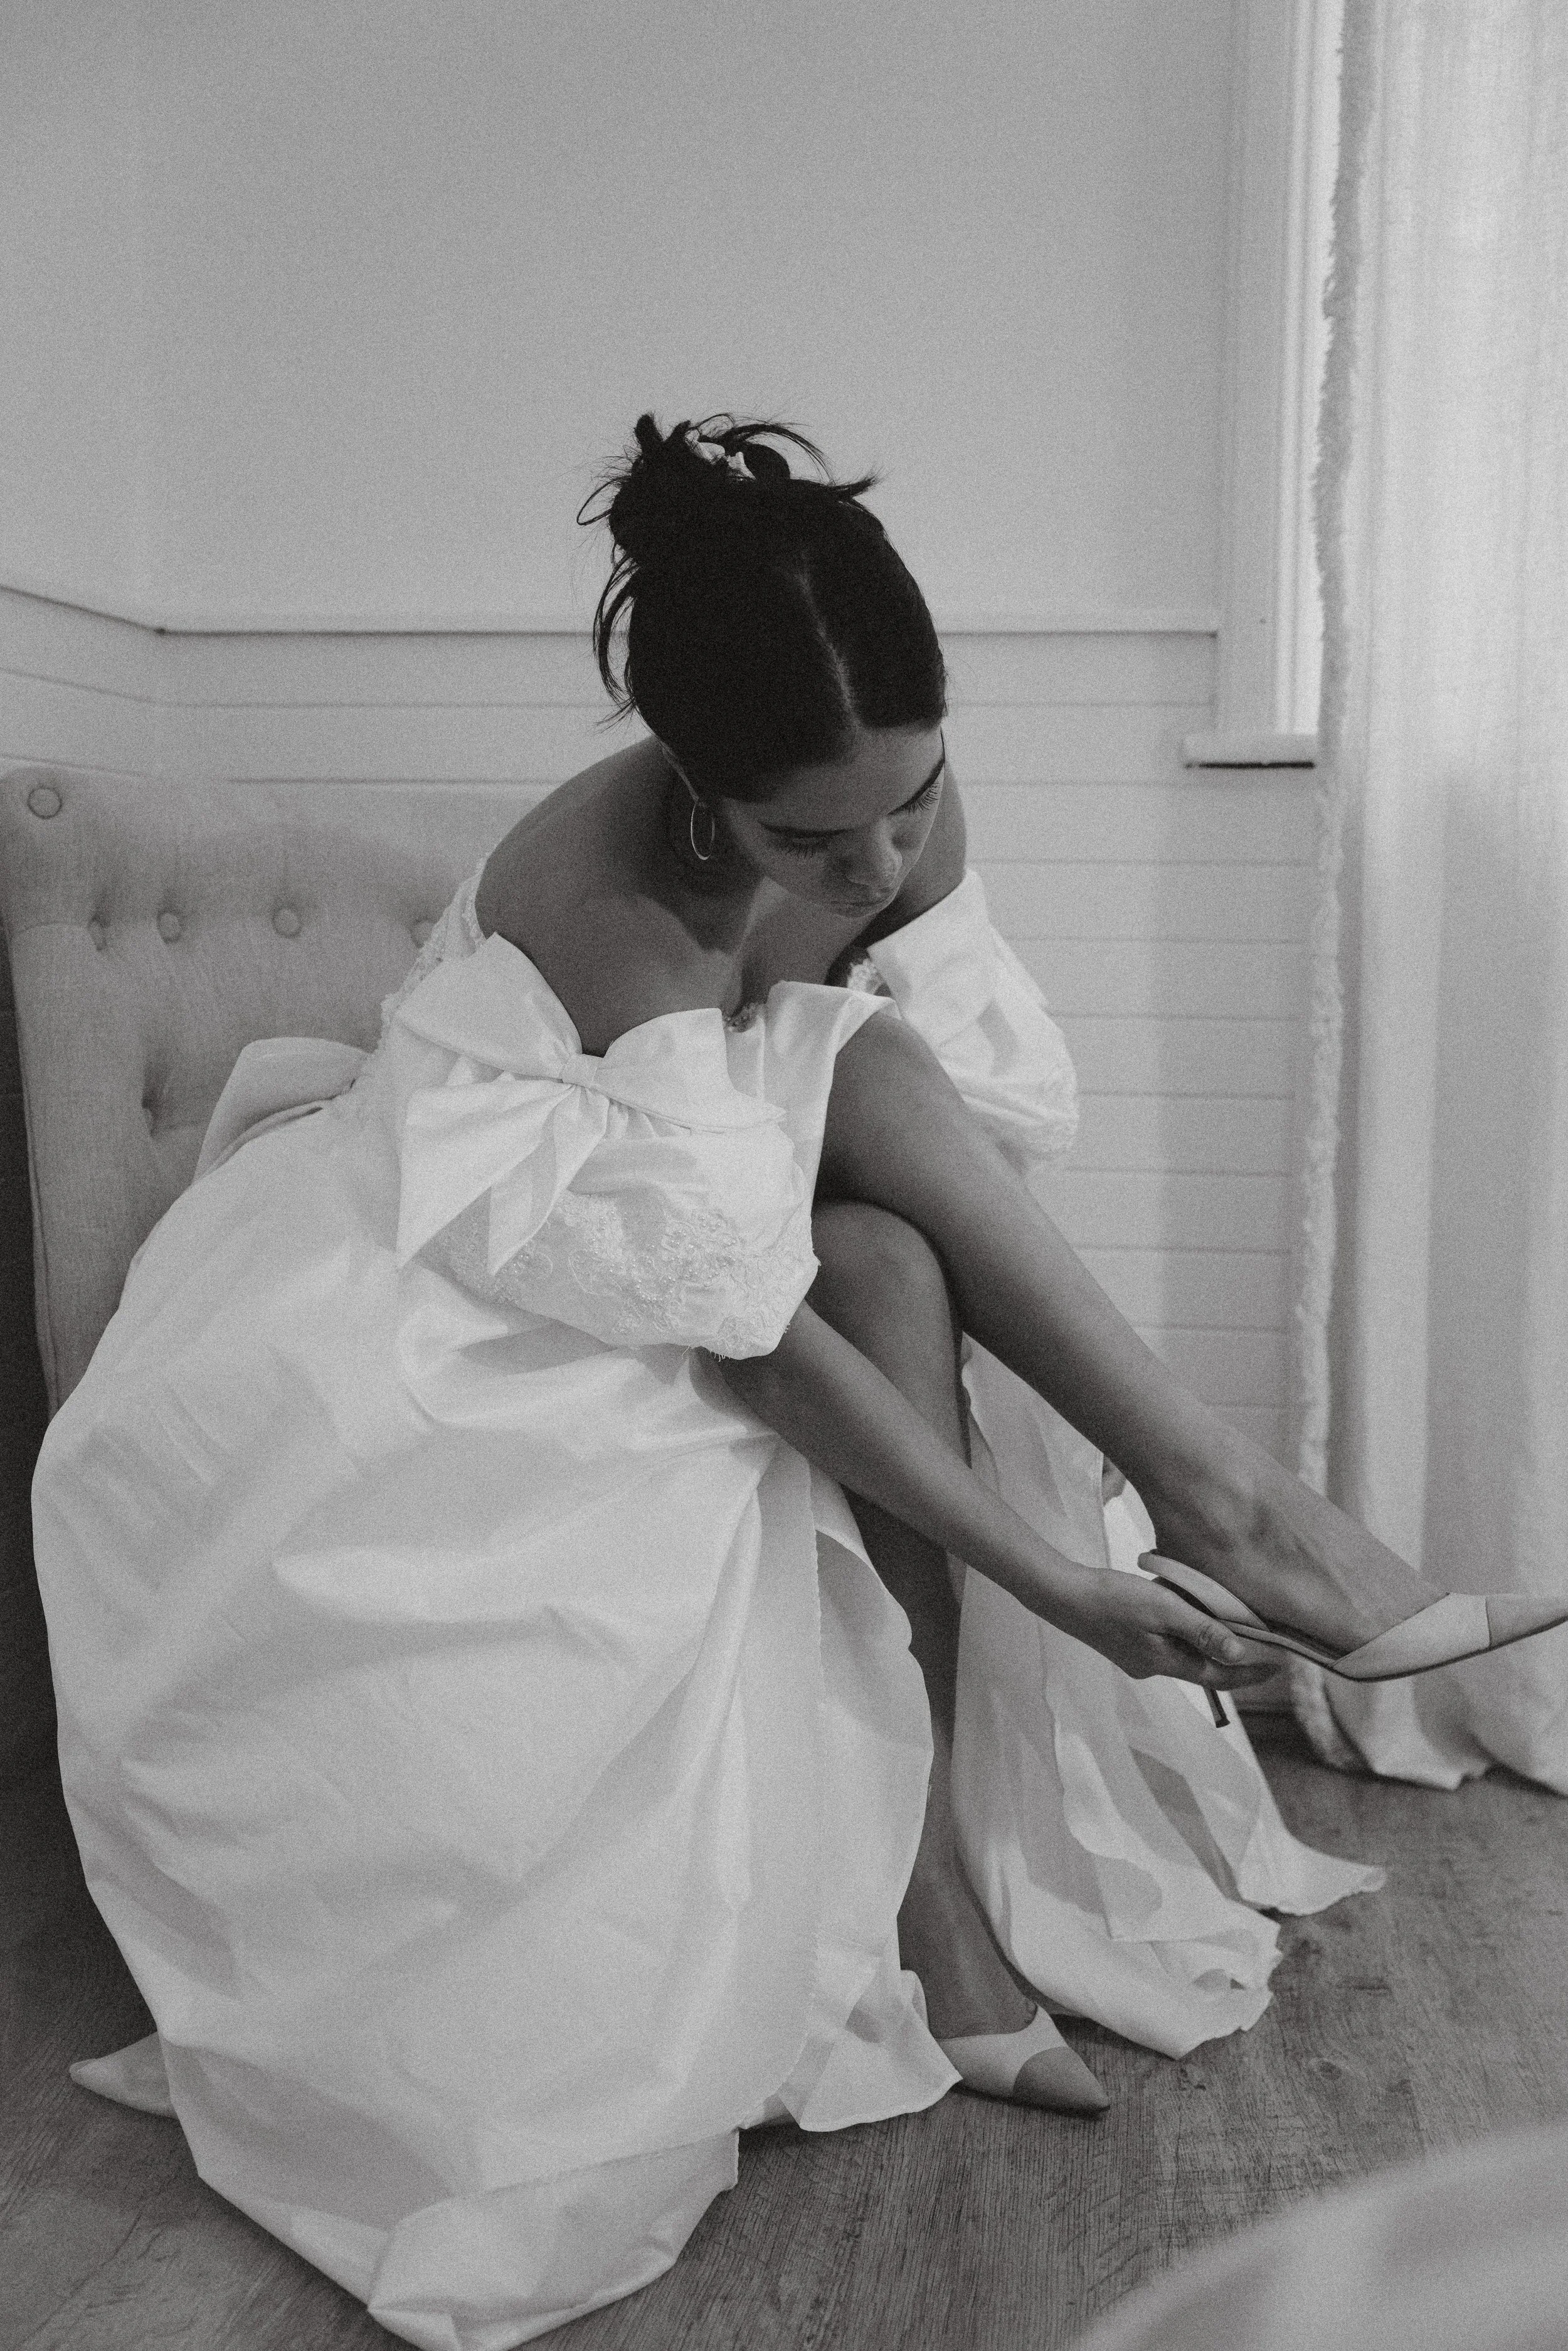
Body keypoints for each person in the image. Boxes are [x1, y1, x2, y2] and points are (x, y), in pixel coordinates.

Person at [36, 415, 1438, 2349]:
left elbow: (931, 1100)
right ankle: (1005, 1812)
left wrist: (876, 903)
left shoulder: (885, 793)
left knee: (877, 1138)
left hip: (752, 1203)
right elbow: (745, 1330)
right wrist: (1054, 1580)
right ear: (697, 795)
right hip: (509, 1238)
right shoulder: (605, 889)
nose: (880, 857)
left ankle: (1201, 1538)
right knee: (857, 1219)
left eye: (912, 798)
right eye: (812, 838)